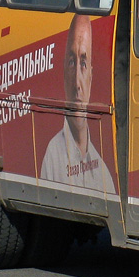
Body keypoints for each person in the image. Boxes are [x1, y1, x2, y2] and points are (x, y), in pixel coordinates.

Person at [40, 14, 116, 194]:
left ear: (91, 75)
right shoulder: (52, 157)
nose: (77, 84)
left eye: (83, 63)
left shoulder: (103, 175)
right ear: (64, 71)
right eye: (72, 62)